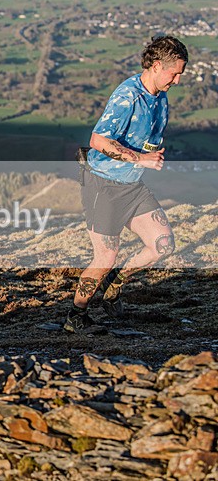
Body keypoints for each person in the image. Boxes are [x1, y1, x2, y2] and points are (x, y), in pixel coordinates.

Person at [66, 35, 188, 333]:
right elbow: (98, 140)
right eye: (175, 73)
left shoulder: (160, 96)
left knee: (162, 244)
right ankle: (75, 316)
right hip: (103, 185)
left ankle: (113, 285)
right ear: (157, 66)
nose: (178, 80)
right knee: (106, 255)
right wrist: (139, 159)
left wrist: (148, 155)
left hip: (131, 185)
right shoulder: (127, 96)